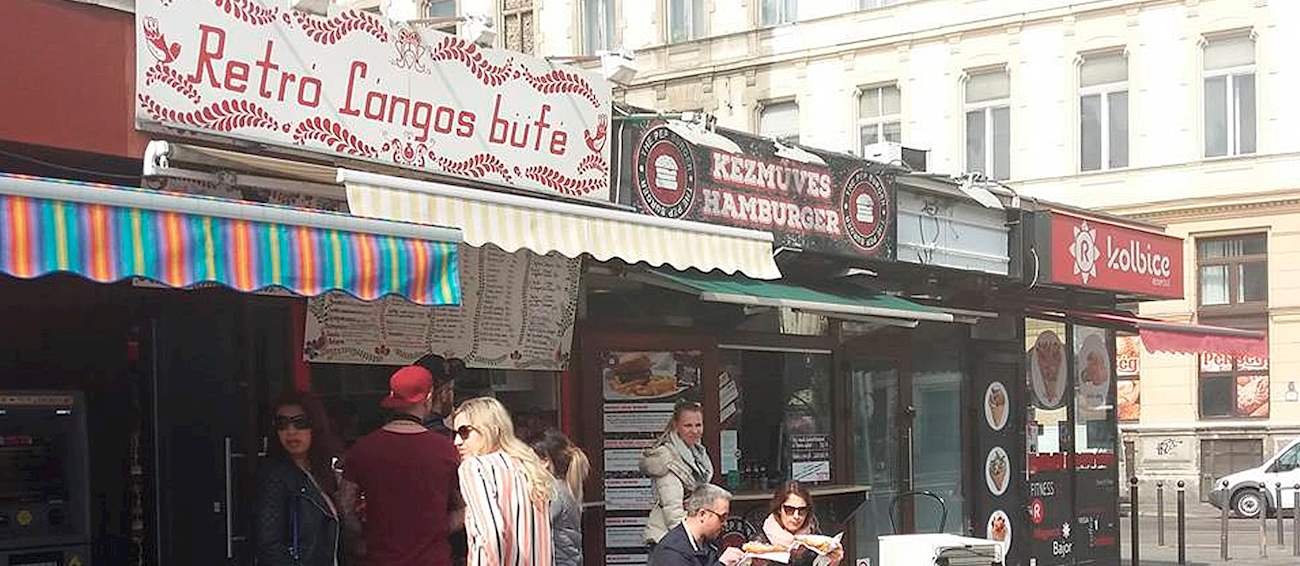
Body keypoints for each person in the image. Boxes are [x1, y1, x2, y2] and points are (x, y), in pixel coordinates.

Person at [338, 366, 461, 566]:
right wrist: (438, 529)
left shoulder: (363, 448)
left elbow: (344, 506)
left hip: (380, 558)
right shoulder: (445, 449)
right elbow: (463, 508)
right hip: (432, 559)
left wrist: (365, 535)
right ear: (429, 396)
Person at [452, 397, 554, 566]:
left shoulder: (475, 467)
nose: (457, 441)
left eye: (465, 432)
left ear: (490, 429)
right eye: (455, 434)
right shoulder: (529, 465)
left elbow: (490, 534)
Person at [255, 391, 343, 566]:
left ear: (315, 426)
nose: (291, 431)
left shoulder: (323, 472)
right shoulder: (275, 477)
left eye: (300, 422)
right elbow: (269, 545)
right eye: (282, 424)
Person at [641, 400, 714, 544]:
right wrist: (690, 543)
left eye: (698, 425)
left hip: (686, 534)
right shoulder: (667, 457)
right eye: (688, 425)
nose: (695, 431)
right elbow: (673, 513)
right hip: (669, 539)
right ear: (676, 426)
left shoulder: (697, 453)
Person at [531, 429, 591, 566]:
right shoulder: (565, 488)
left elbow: (533, 527)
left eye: (530, 460)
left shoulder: (553, 493)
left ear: (545, 461)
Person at [648, 484, 745, 566]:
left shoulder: (708, 543)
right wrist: (722, 563)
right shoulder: (671, 552)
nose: (725, 524)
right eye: (722, 517)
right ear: (702, 514)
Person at [759, 482, 843, 566]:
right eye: (789, 510)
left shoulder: (816, 541)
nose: (796, 516)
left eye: (802, 510)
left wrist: (834, 561)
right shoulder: (761, 541)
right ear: (779, 509)